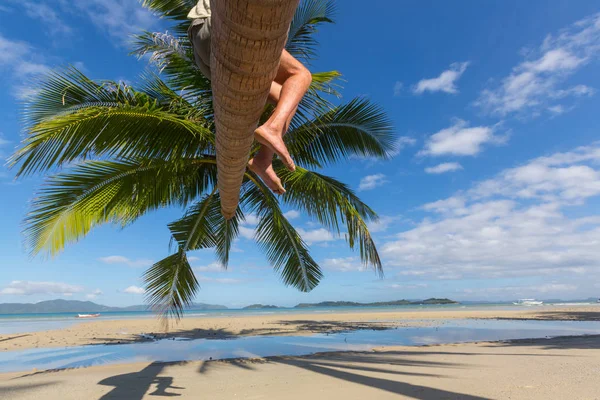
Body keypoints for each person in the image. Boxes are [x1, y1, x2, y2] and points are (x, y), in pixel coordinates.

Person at [188, 0, 312, 195]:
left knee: (288, 96)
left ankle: (264, 159)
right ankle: (272, 129)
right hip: (219, 27)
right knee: (300, 75)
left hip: (203, 50)